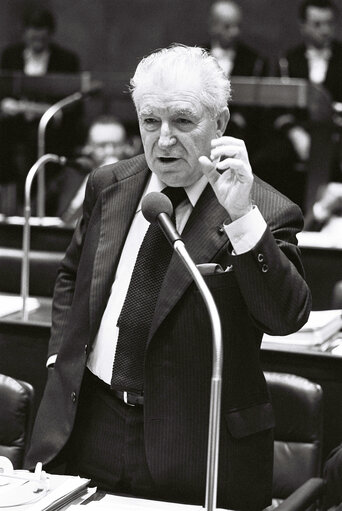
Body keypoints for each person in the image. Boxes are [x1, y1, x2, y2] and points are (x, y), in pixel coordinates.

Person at [25, 45, 311, 511]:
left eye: (183, 121)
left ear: (219, 124)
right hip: (90, 423)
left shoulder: (264, 208)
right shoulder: (109, 184)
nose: (163, 141)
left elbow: (285, 317)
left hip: (195, 444)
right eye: (150, 121)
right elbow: (72, 276)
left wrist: (241, 217)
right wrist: (62, 358)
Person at [255, 0, 342, 211]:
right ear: (303, 25)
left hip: (336, 136)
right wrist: (296, 134)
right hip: (298, 135)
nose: (324, 30)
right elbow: (278, 108)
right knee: (262, 163)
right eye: (317, 24)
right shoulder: (288, 60)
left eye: (329, 24)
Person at [0, 7, 80, 214]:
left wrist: (30, 109)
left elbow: (71, 107)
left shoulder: (66, 60)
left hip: (52, 133)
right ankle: (11, 209)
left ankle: (41, 209)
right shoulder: (10, 55)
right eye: (32, 33)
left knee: (43, 147)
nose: (36, 39)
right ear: (24, 32)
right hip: (14, 131)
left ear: (49, 34)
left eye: (41, 35)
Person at [45, 115, 138, 225]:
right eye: (102, 146)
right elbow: (37, 207)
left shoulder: (134, 180)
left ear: (126, 146)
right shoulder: (72, 173)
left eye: (117, 145)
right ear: (88, 147)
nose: (110, 151)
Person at [206, 0, 266, 157]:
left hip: (245, 136)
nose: (234, 32)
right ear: (213, 25)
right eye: (227, 26)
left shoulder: (256, 61)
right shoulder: (197, 55)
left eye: (237, 26)